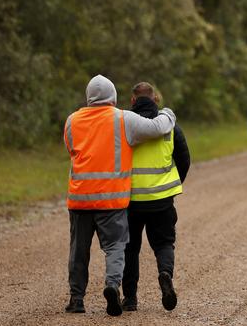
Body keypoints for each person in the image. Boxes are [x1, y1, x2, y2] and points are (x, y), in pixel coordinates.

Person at [63, 75, 176, 316]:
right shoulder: (122, 119)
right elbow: (158, 128)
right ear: (113, 97)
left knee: (78, 250)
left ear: (88, 97)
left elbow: (72, 149)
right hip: (111, 199)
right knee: (115, 247)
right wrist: (168, 113)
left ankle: (76, 299)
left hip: (80, 198)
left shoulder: (72, 121)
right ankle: (112, 286)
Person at [121, 82, 191, 312]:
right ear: (156, 99)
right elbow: (184, 158)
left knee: (130, 249)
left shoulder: (124, 126)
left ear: (132, 101)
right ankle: (164, 274)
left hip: (130, 200)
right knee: (163, 243)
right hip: (161, 199)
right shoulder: (170, 127)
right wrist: (171, 184)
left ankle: (130, 299)